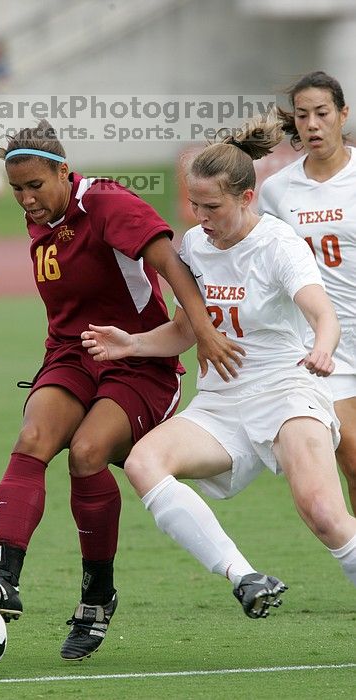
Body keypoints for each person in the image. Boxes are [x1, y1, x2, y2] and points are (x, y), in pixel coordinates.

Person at [0, 119, 245, 661]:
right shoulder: (39, 215)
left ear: (64, 172)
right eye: (16, 189)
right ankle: (2, 579)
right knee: (32, 438)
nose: (25, 199)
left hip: (138, 362)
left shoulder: (108, 202)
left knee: (86, 453)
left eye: (35, 186)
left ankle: (96, 596)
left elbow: (171, 263)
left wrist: (202, 334)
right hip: (71, 355)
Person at [81, 111, 356, 617]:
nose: (201, 217)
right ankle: (244, 576)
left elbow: (323, 311)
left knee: (323, 514)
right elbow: (190, 328)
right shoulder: (196, 246)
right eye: (194, 205)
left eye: (212, 206)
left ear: (247, 198)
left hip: (287, 392)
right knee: (144, 462)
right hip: (222, 405)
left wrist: (321, 345)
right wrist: (132, 344)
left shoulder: (278, 244)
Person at [258, 71, 356, 515]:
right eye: (302, 115)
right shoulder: (278, 189)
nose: (312, 124)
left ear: (342, 114)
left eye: (322, 113)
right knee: (353, 459)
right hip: (324, 347)